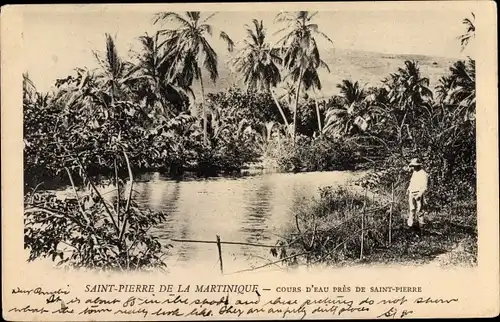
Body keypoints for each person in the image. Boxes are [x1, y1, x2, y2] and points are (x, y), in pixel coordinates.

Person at [406, 158, 429, 228]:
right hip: (412, 193)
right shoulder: (414, 173)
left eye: (415, 166)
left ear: (418, 165)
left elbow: (425, 187)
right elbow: (412, 182)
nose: (414, 167)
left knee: (419, 211)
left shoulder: (423, 174)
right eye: (413, 166)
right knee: (412, 209)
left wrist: (420, 194)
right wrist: (408, 189)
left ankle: (421, 228)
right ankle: (411, 227)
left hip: (418, 194)